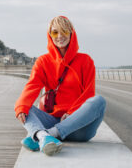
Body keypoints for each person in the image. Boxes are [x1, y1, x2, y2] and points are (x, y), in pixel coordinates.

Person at [14, 15, 106, 156]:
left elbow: (88, 93)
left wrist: (71, 113)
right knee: (24, 108)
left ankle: (45, 135)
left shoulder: (85, 60)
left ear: (71, 33)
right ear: (50, 35)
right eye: (55, 32)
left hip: (78, 127)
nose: (59, 36)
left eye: (64, 31)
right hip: (52, 119)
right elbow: (32, 86)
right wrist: (22, 107)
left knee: (99, 101)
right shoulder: (43, 61)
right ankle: (45, 138)